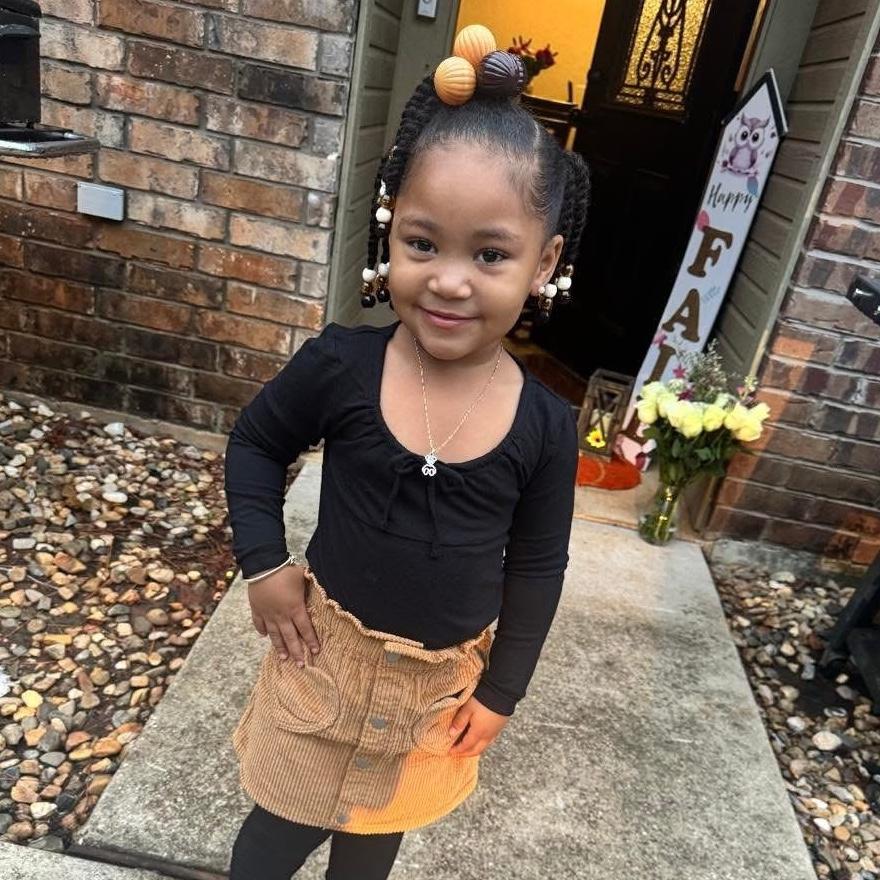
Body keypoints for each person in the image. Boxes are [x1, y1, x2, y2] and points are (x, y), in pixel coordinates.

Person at [224, 23, 591, 880]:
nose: (449, 279)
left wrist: (502, 691)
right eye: (422, 244)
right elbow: (256, 442)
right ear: (389, 230)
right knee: (274, 837)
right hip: (323, 663)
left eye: (491, 254)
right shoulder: (341, 366)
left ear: (544, 262)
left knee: (371, 846)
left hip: (437, 695)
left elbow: (539, 565)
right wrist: (263, 561)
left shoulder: (544, 426)